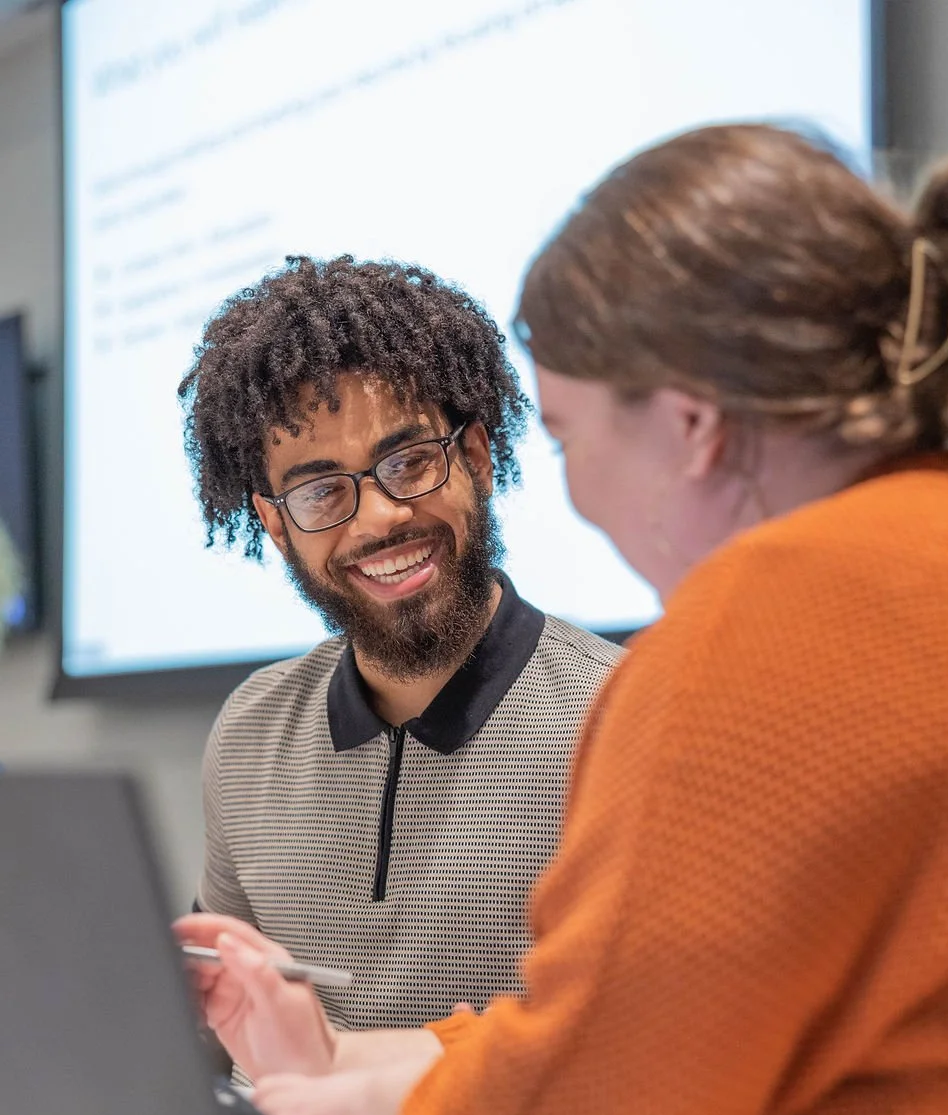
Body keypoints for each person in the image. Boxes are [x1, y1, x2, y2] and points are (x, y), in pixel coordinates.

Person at [179, 125, 948, 1115]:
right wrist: (349, 1062)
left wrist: (377, 1106)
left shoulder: (757, 631)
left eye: (569, 440)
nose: (574, 493)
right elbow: (650, 1016)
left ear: (690, 427)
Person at [173, 256, 622, 1039]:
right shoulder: (249, 729)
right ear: (276, 527)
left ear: (476, 459)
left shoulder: (620, 719)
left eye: (409, 462)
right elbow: (215, 1025)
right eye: (320, 491)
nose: (377, 518)